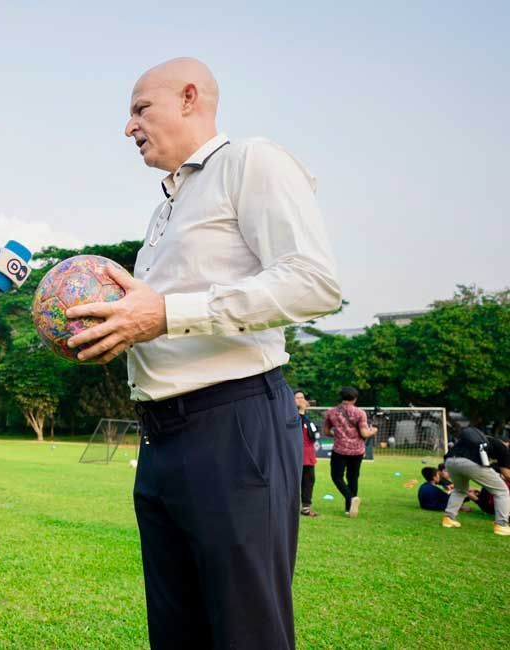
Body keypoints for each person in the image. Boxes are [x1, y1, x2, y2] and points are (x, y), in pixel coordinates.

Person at [64, 57, 340, 649]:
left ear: (190, 98)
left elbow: (314, 282)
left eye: (141, 109)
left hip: (234, 425)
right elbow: (157, 316)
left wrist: (164, 314)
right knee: (176, 631)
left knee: (245, 631)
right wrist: (117, 332)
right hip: (161, 437)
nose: (129, 127)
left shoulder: (250, 161)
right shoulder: (163, 209)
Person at [442, 429, 510, 535]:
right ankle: (501, 525)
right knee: (502, 491)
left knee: (460, 490)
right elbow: (507, 474)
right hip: (470, 462)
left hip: (450, 462)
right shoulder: (502, 448)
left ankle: (449, 519)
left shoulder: (474, 439)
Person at [322, 386, 377, 517]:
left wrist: (337, 435)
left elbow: (325, 431)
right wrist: (373, 431)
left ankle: (350, 498)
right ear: (355, 398)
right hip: (357, 451)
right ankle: (349, 507)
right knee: (353, 477)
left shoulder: (331, 412)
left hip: (340, 450)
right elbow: (364, 432)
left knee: (337, 476)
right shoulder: (360, 413)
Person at [296, 390, 320, 517]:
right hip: (295, 455)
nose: (301, 400)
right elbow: (295, 428)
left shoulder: (306, 417)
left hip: (308, 455)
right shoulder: (291, 416)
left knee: (309, 480)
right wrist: (301, 411)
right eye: (297, 398)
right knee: (294, 483)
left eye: (302, 397)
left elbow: (313, 435)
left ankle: (306, 508)